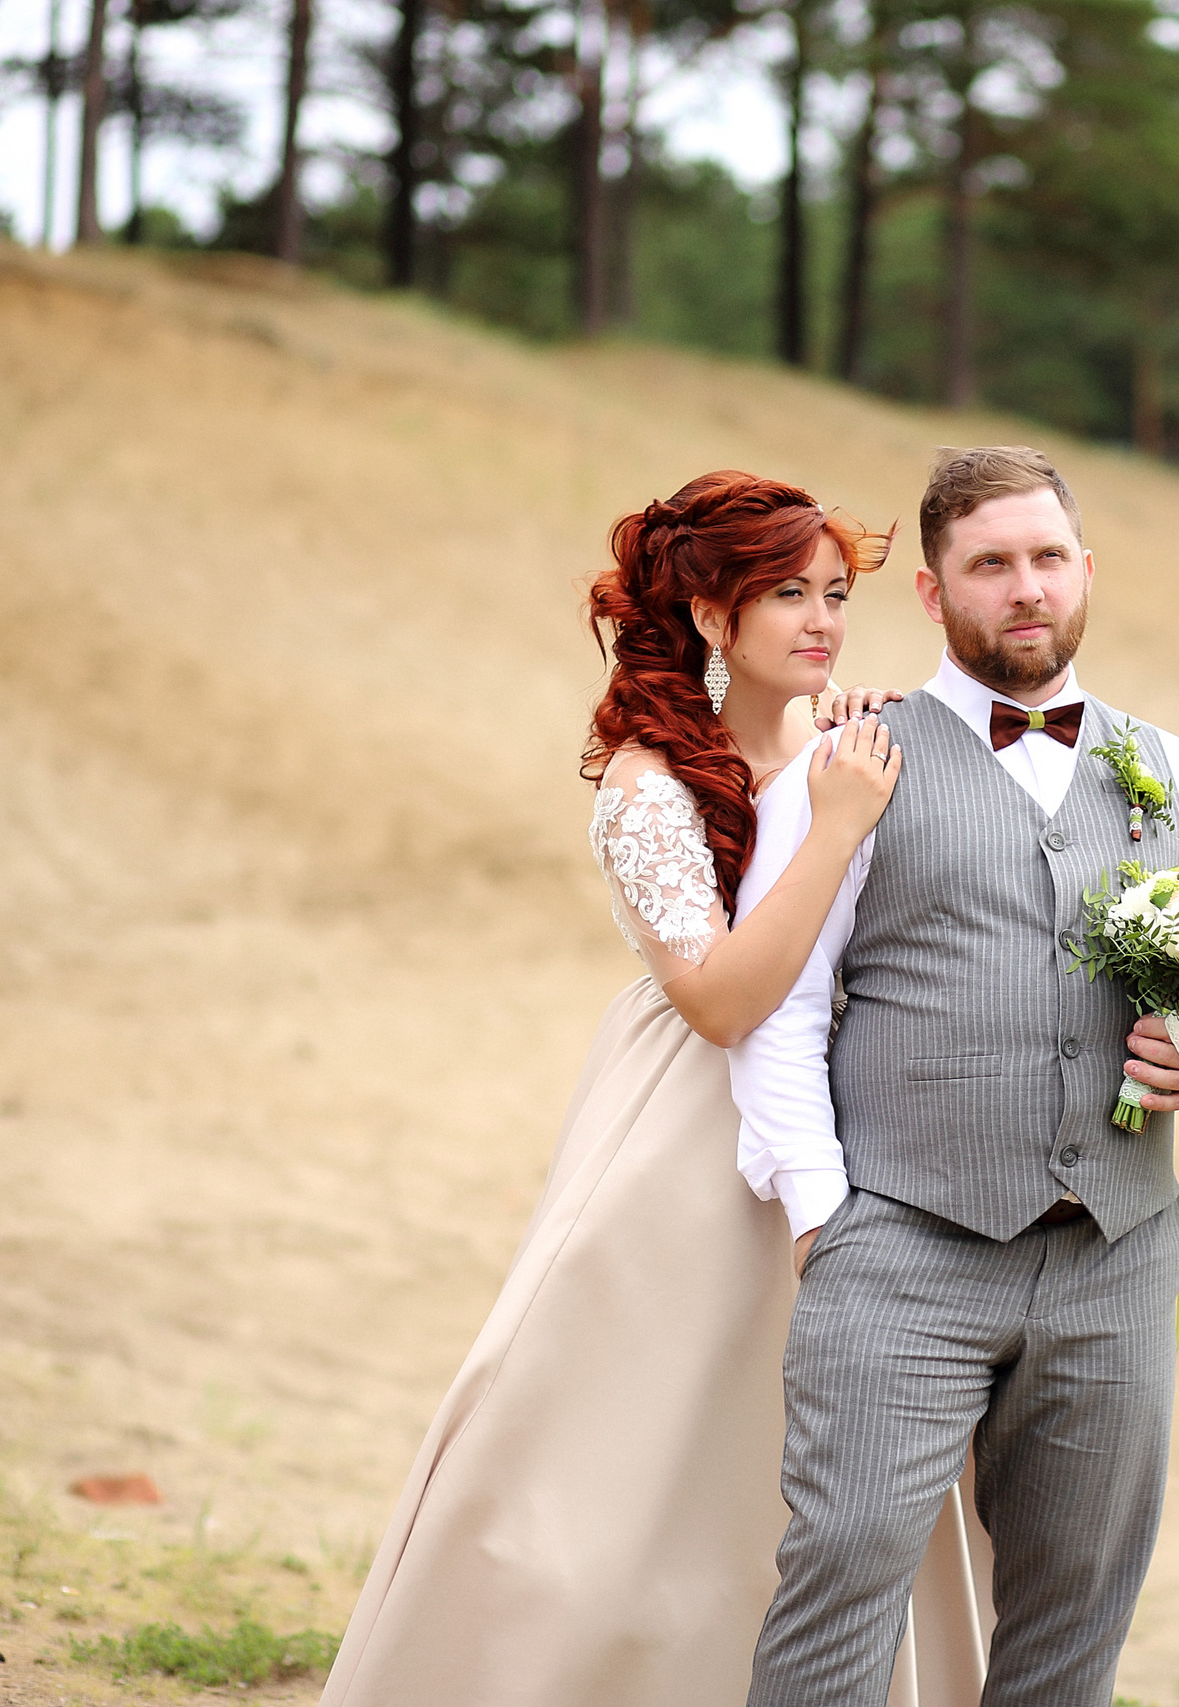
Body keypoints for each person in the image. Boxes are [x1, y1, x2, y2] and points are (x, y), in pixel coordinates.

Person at [319, 470, 989, 1707]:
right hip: (689, 1134)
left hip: (859, 1116)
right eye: (784, 592)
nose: (821, 619)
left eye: (834, 593)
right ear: (707, 616)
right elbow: (723, 1001)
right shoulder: (650, 784)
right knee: (626, 1448)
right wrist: (834, 824)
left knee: (840, 1462)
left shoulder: (845, 736)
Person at [730, 445, 1179, 1706]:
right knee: (841, 1580)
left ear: (1084, 571)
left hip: (1117, 1256)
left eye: (1048, 559)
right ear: (932, 592)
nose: (1026, 589)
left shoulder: (1173, 769)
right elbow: (780, 1010)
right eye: (991, 565)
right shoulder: (853, 762)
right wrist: (821, 1215)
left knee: (1078, 1614)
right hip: (902, 1246)